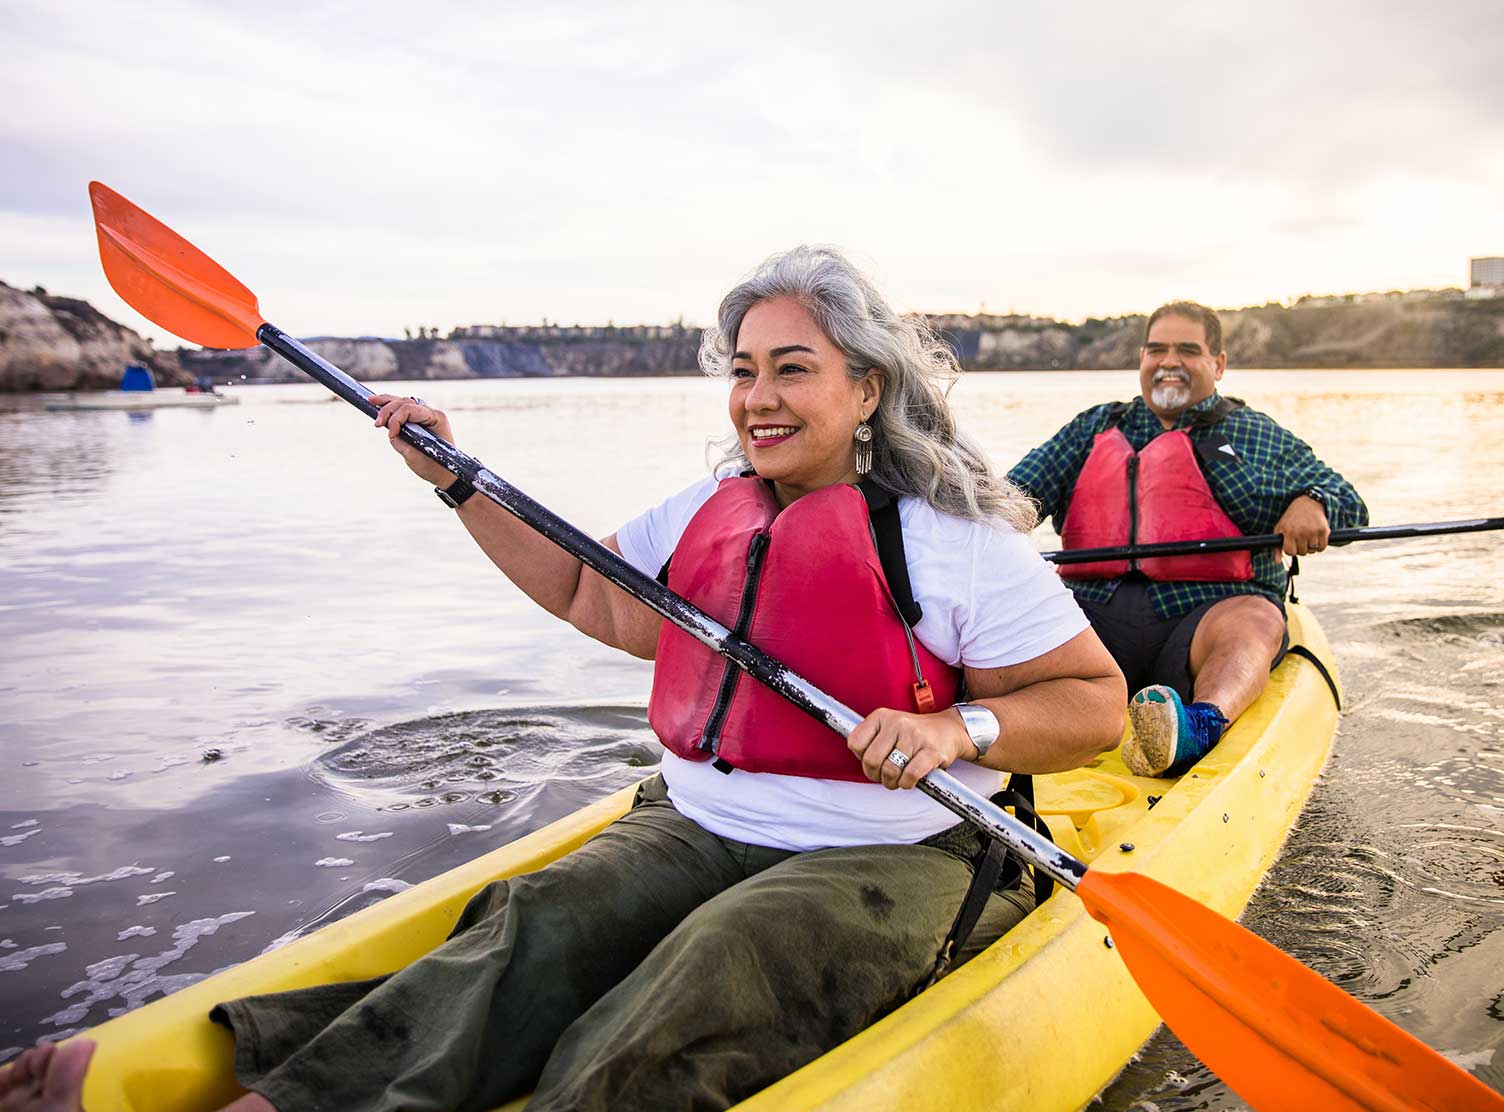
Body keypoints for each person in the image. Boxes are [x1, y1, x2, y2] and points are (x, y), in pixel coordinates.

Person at [0, 247, 1124, 1112]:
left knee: (707, 967)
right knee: (539, 922)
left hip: (896, 851)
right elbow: (598, 600)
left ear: (868, 387)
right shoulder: (706, 512)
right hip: (703, 819)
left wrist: (953, 728)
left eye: (794, 368)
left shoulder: (952, 538)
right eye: (743, 371)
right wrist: (457, 483)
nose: (759, 398)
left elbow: (1093, 704)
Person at [1007, 301, 1367, 779]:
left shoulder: (1253, 434)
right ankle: (985, 722)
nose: (1169, 361)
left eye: (1187, 350)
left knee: (1257, 615)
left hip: (1203, 623)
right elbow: (1005, 501)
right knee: (1011, 605)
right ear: (1141, 359)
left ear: (1218, 364)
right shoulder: (1094, 428)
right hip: (1093, 631)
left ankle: (1200, 724)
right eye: (1157, 350)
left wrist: (1315, 503)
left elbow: (1349, 501)